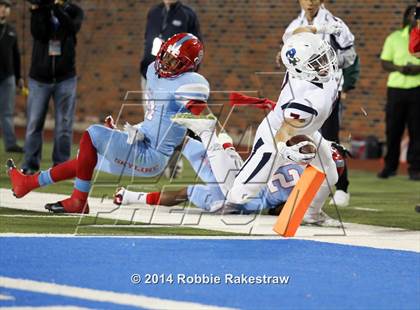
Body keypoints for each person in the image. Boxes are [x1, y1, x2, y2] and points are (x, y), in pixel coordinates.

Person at [8, 33, 210, 214]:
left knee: (92, 134)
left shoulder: (191, 83)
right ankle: (28, 183)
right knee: (86, 159)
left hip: (152, 157)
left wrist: (217, 142)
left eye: (174, 61)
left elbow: (203, 119)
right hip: (144, 142)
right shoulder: (152, 71)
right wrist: (131, 132)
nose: (166, 63)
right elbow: (157, 118)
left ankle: (78, 201)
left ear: (188, 66)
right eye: (166, 56)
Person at [173, 31, 341, 224]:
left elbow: (293, 40)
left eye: (324, 57)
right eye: (316, 62)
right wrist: (285, 151)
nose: (325, 64)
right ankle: (208, 133)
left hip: (305, 129)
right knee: (235, 196)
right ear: (301, 70)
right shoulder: (308, 100)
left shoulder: (308, 72)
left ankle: (311, 214)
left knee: (329, 172)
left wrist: (305, 33)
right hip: (276, 136)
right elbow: (284, 132)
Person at [117, 114, 346, 227]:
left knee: (185, 144)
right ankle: (128, 196)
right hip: (238, 199)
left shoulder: (293, 158)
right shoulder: (312, 185)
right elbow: (279, 212)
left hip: (241, 173)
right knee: (188, 192)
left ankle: (139, 133)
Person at [281, 0, 360, 207]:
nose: (310, 2)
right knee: (297, 138)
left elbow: (351, 56)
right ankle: (296, 189)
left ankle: (342, 186)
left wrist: (325, 63)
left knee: (330, 138)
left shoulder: (335, 24)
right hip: (299, 92)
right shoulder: (293, 25)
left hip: (325, 90)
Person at [139, 0, 202, 179]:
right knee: (152, 122)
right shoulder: (153, 12)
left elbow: (196, 49)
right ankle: (152, 165)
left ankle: (174, 166)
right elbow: (148, 40)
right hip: (150, 75)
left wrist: (186, 78)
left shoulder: (188, 14)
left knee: (173, 123)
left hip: (174, 80)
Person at [21, 0, 84, 175]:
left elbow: (71, 28)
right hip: (39, 78)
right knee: (34, 123)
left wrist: (56, 8)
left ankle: (61, 167)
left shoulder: (74, 10)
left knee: (64, 125)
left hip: (66, 78)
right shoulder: (40, 10)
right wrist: (39, 10)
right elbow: (39, 34)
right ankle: (30, 165)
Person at [378, 5, 420, 181]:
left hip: (417, 88)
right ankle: (390, 166)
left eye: (415, 15)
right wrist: (400, 68)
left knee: (417, 131)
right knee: (393, 130)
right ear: (405, 17)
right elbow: (385, 62)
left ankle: (415, 168)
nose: (413, 17)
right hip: (396, 89)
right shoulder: (394, 38)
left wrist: (416, 68)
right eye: (410, 14)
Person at [0, 0, 24, 153]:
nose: (3, 9)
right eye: (1, 6)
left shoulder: (11, 31)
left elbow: (16, 56)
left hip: (8, 77)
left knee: (7, 112)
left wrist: (18, 77)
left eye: (6, 7)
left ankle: (10, 144)